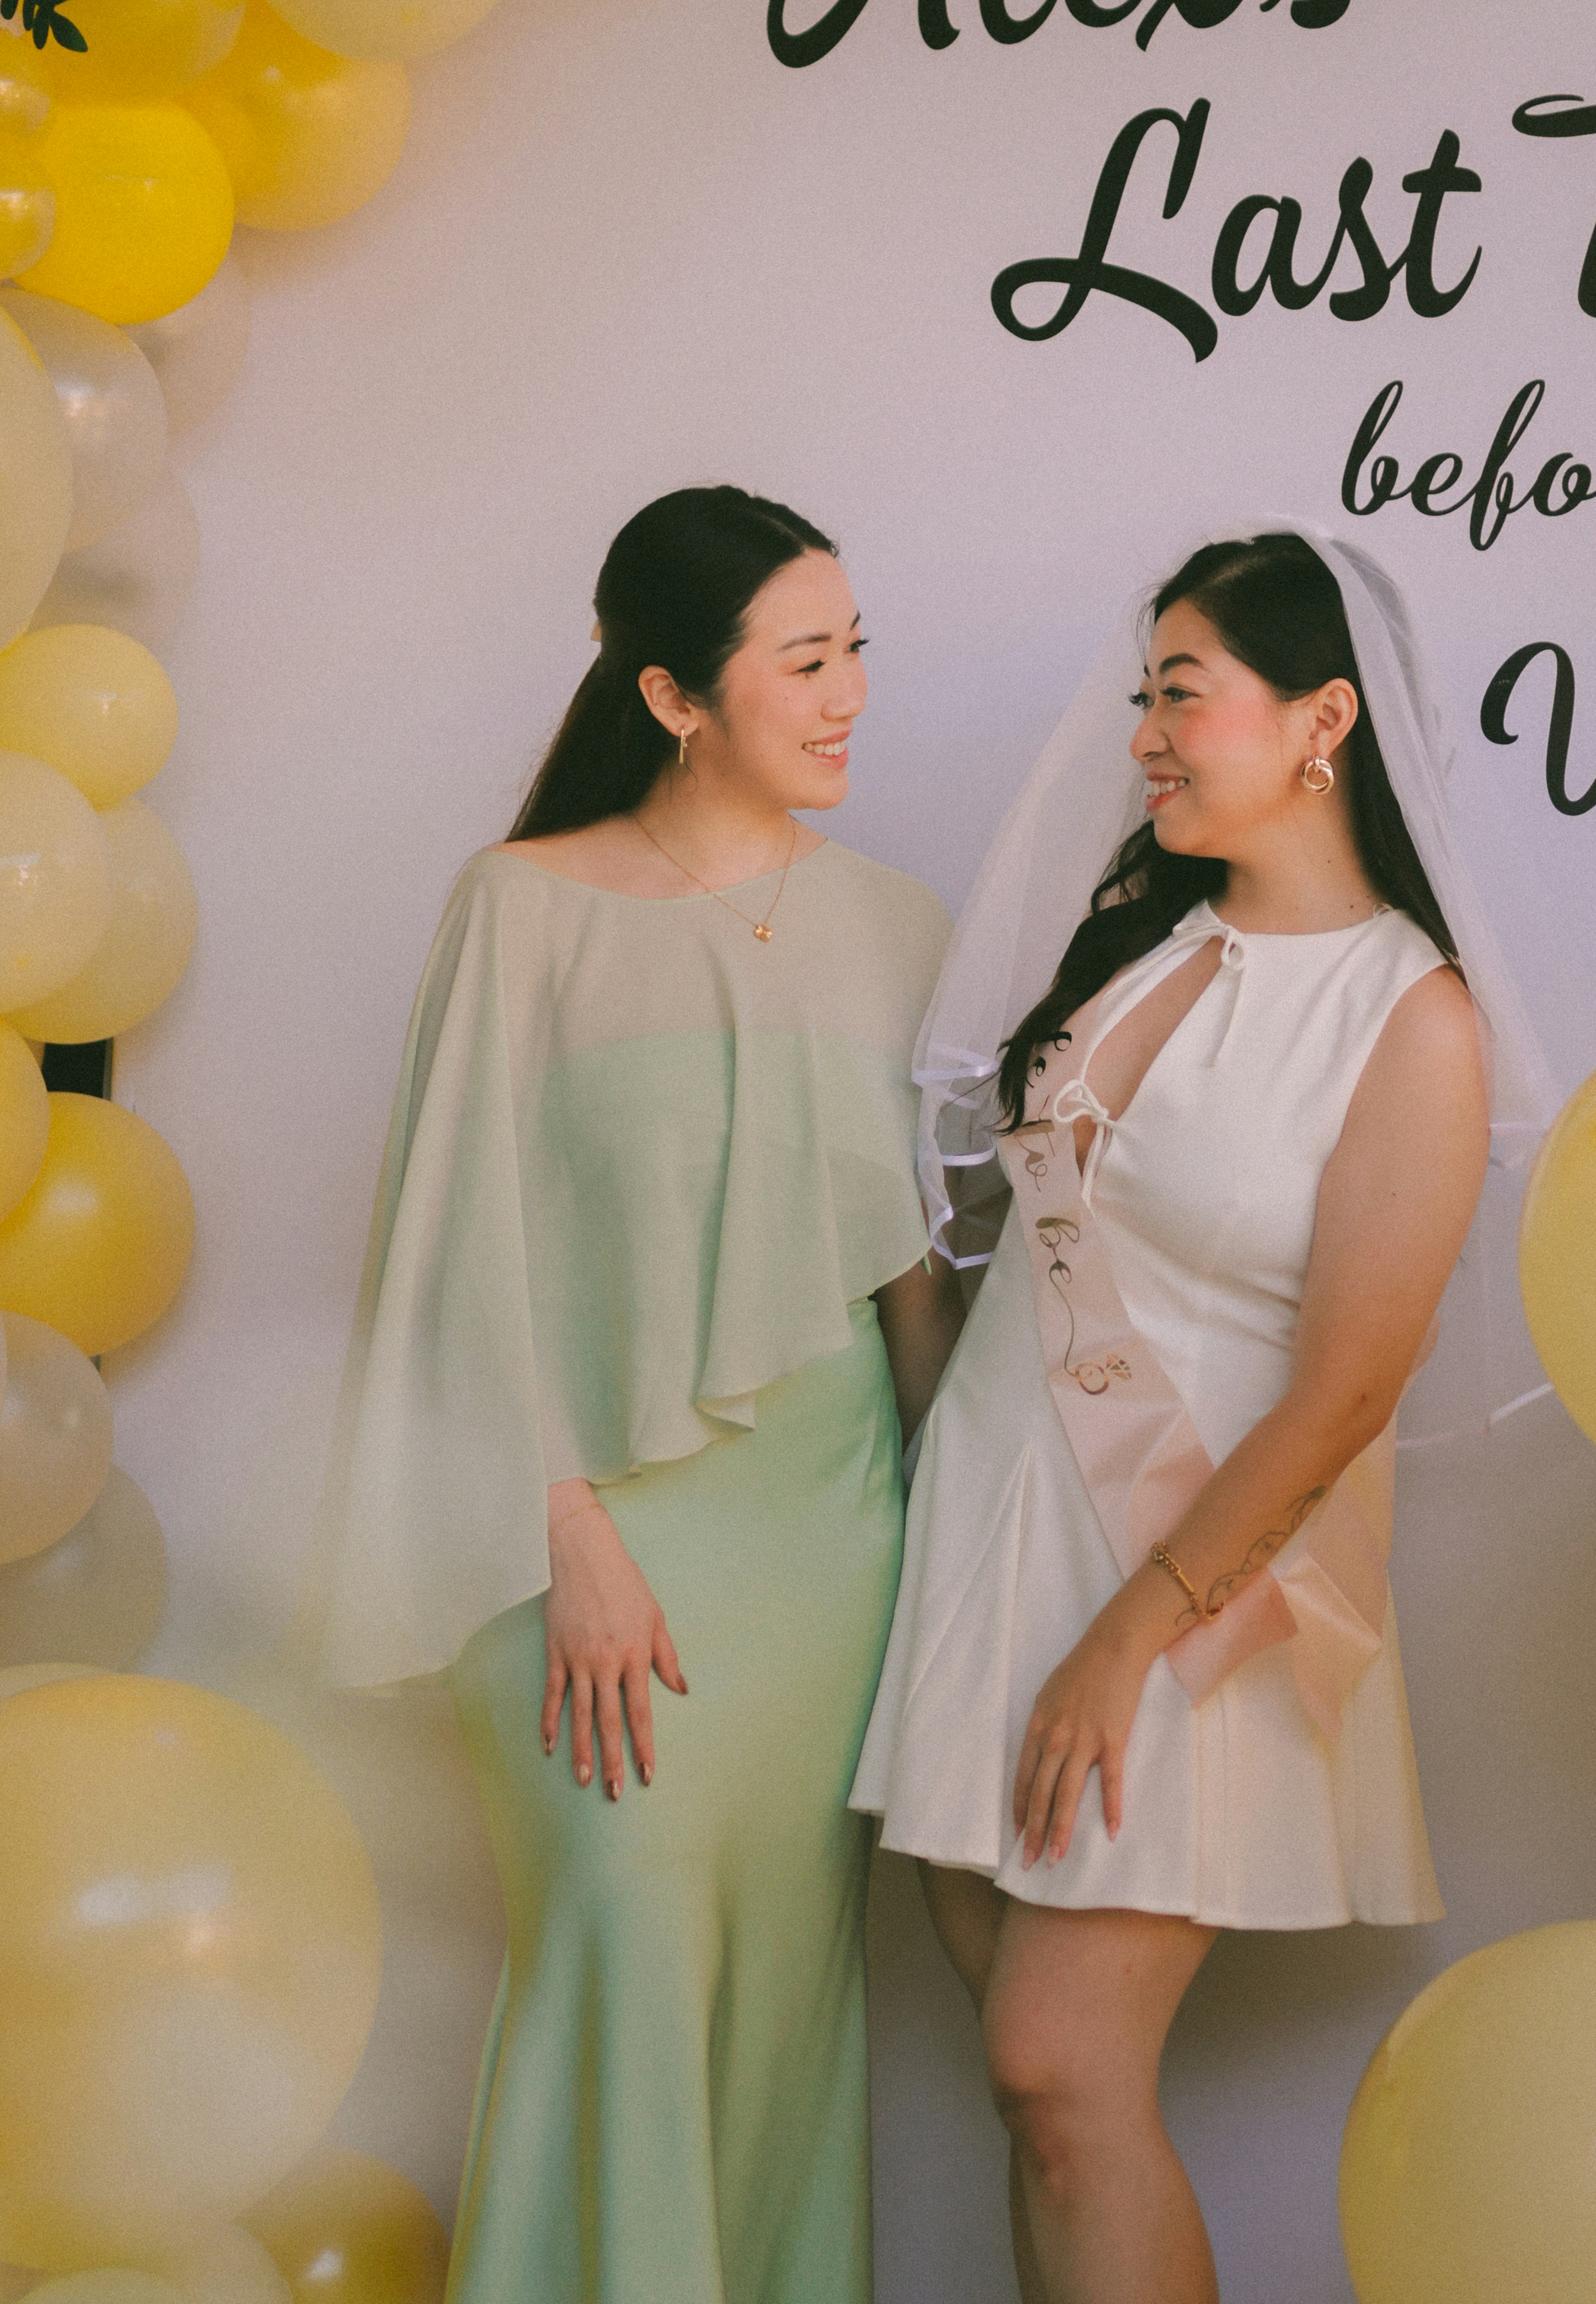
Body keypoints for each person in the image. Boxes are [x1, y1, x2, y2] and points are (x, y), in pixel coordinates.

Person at [851, 526, 1552, 2304]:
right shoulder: (1141, 945)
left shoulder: (1411, 1019)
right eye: (1143, 697)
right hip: (992, 1548)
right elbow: (1019, 1270)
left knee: (1054, 2066)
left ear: (1323, 719)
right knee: (1043, 2099)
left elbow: (1348, 1389)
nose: (1142, 737)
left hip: (1184, 1587)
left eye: (1182, 694)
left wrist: (1124, 1641)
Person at [305, 485, 965, 2304]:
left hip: (829, 1555)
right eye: (803, 660)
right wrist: (566, 1537)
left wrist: (964, 1553)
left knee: (781, 2016)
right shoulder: (521, 909)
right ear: (674, 695)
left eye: (854, 652)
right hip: (572, 1543)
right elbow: (454, 1261)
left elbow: (915, 1283)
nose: (847, 696)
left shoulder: (901, 927)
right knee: (618, 1949)